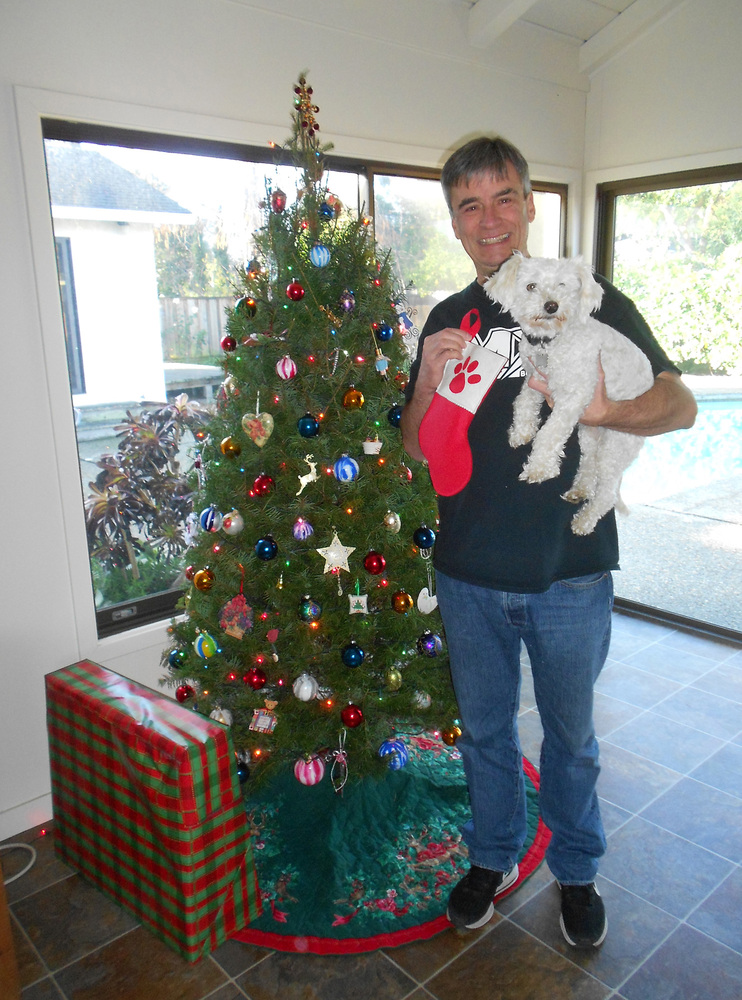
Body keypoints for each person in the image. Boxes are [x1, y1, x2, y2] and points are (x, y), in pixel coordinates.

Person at [401, 136, 697, 948]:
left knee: (572, 740)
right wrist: (425, 378)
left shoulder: (586, 299)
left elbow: (680, 405)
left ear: (530, 204)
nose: (490, 218)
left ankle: (575, 869)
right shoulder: (450, 319)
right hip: (467, 576)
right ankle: (492, 856)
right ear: (454, 220)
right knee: (485, 735)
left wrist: (607, 413)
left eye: (504, 197)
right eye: (470, 204)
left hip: (570, 577)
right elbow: (415, 451)